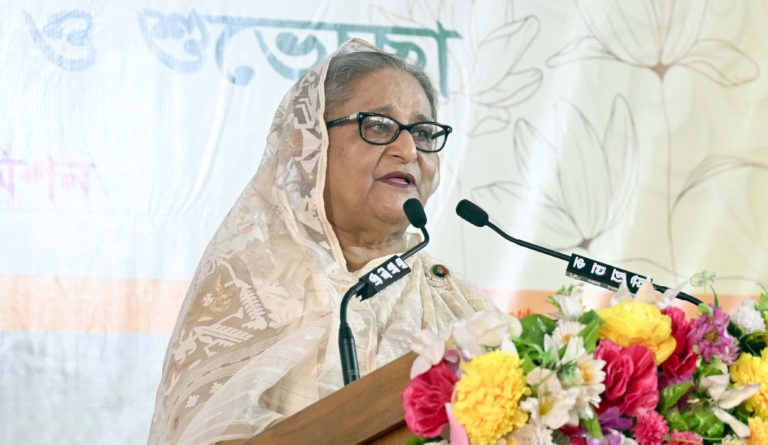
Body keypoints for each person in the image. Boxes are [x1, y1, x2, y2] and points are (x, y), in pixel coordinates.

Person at [147, 39, 494, 445]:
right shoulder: (251, 284)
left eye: (422, 132)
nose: (408, 150)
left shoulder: (461, 306)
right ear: (309, 144)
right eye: (378, 126)